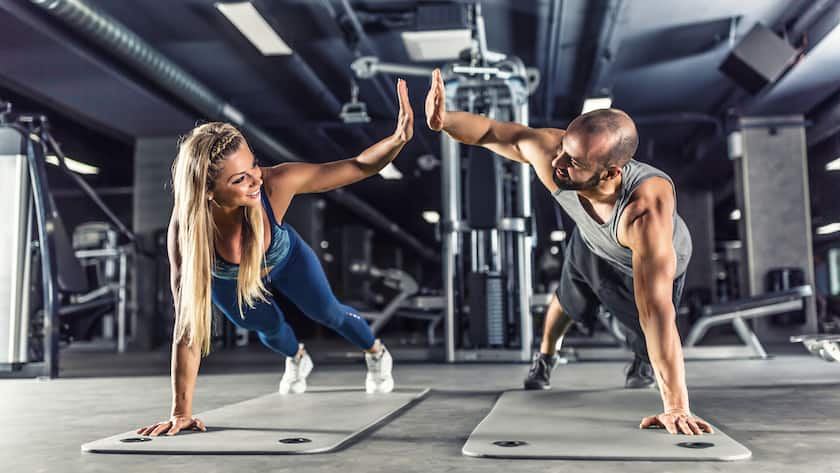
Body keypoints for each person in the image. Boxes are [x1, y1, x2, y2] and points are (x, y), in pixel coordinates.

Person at [425, 69, 711, 435]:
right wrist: (445, 120)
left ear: (611, 174)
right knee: (564, 300)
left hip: (640, 256)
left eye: (574, 163)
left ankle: (642, 360)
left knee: (646, 327)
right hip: (591, 239)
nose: (557, 164)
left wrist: (676, 407)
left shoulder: (643, 213)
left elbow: (655, 310)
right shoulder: (554, 154)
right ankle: (546, 358)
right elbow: (491, 132)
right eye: (563, 150)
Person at [137, 79, 414, 437]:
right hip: (229, 279)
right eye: (239, 179)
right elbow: (187, 326)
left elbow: (359, 165)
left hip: (287, 259)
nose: (255, 179)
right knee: (267, 327)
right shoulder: (187, 232)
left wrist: (397, 140)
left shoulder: (274, 184)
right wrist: (180, 412)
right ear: (207, 191)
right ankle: (297, 358)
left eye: (253, 165)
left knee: (327, 312)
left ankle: (376, 352)